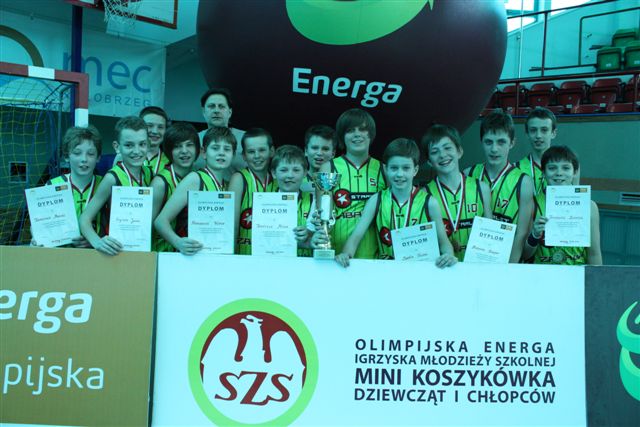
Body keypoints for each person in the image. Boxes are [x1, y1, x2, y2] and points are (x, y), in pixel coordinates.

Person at [333, 138, 456, 267]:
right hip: (386, 272)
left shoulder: (430, 203)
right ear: (386, 169)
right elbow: (355, 237)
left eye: (406, 168)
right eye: (394, 168)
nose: (399, 174)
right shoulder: (376, 200)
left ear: (415, 170)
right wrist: (346, 254)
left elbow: (444, 243)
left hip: (419, 271)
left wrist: (449, 255)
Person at [464, 110, 534, 263]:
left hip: (507, 260)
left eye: (501, 142)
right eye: (489, 142)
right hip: (473, 260)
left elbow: (521, 233)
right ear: (481, 141)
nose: (494, 149)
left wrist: (508, 268)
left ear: (512, 143)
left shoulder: (523, 182)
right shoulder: (469, 174)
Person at [154, 126, 236, 255]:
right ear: (204, 153)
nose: (221, 153)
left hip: (214, 255)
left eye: (227, 149)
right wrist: (178, 242)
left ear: (233, 155)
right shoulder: (195, 179)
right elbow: (160, 221)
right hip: (190, 255)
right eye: (215, 148)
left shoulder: (226, 186)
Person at [79, 116, 151, 255]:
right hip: (115, 252)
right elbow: (84, 219)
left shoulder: (149, 174)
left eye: (142, 144)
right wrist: (97, 242)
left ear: (147, 144)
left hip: (141, 248)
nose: (137, 151)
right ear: (117, 147)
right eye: (129, 145)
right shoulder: (112, 178)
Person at [421, 124, 492, 261]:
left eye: (447, 148)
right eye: (435, 152)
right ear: (429, 161)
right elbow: (424, 243)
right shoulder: (424, 195)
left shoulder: (481, 188)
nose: (442, 155)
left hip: (477, 266)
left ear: (459, 151)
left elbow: (490, 235)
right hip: (443, 268)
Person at [322, 108, 386, 259]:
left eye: (362, 129)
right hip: (338, 258)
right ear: (342, 137)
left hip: (376, 259)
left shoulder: (384, 170)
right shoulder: (328, 167)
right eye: (350, 130)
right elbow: (323, 216)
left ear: (371, 134)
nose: (357, 134)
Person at [523, 146, 602, 265]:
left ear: (575, 172)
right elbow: (525, 255)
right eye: (552, 168)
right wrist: (534, 235)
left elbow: (594, 253)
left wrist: (597, 277)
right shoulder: (533, 203)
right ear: (543, 172)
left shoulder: (589, 206)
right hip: (543, 273)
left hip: (576, 272)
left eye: (566, 168)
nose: (559, 173)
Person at [42, 125, 104, 248]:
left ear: (98, 157)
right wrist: (38, 237)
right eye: (77, 153)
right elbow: (40, 224)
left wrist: (96, 238)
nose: (84, 159)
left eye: (91, 154)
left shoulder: (105, 185)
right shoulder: (52, 186)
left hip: (97, 254)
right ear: (66, 156)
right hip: (61, 254)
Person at [150, 122, 199, 252]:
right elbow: (147, 226)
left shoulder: (199, 178)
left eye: (189, 145)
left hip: (191, 252)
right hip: (163, 253)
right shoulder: (160, 183)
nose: (184, 151)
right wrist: (177, 242)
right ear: (169, 151)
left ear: (197, 149)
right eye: (177, 146)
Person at [228, 128, 278, 255]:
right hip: (244, 256)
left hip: (273, 254)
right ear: (244, 156)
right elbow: (231, 225)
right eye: (251, 152)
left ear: (272, 151)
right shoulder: (239, 179)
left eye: (262, 150)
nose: (257, 156)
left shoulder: (279, 179)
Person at [270, 145, 315, 256]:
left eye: (296, 170)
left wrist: (308, 234)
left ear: (305, 173)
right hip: (272, 261)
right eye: (284, 170)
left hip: (305, 263)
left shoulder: (313, 201)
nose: (290, 175)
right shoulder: (265, 202)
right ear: (274, 173)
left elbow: (315, 234)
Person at [198, 88, 247, 176]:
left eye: (221, 106)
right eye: (211, 106)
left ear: (230, 112)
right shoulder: (194, 140)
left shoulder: (246, 138)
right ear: (203, 111)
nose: (216, 110)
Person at [112, 106, 170, 175]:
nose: (155, 131)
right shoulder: (123, 156)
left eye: (160, 127)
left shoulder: (170, 159)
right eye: (149, 125)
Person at [515, 107, 557, 195]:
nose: (538, 135)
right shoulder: (516, 168)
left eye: (544, 130)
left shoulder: (565, 168)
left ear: (553, 133)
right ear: (527, 134)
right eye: (533, 130)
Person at [300, 125, 336, 192]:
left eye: (325, 149)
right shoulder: (296, 181)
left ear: (333, 154)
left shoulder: (340, 180)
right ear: (306, 151)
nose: (319, 153)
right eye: (314, 148)